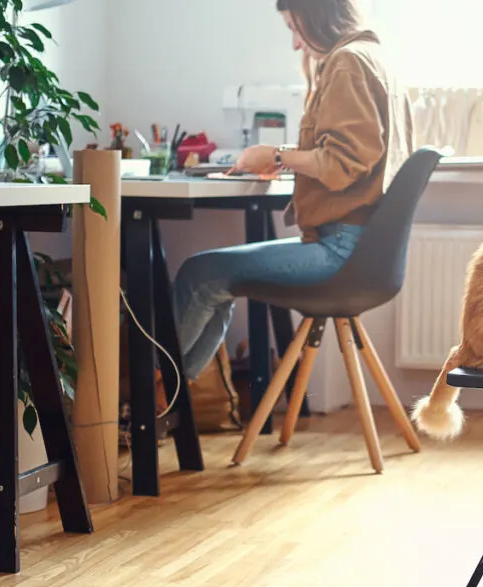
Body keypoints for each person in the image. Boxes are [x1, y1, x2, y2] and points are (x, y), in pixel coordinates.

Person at [171, 0, 415, 381]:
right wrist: (286, 159)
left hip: (341, 252)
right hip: (368, 253)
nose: (295, 45)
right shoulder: (375, 56)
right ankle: (161, 400)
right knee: (212, 280)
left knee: (199, 274)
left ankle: (139, 399)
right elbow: (356, 157)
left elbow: (341, 164)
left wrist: (277, 154)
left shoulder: (348, 62)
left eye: (293, 27)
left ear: (317, 15)